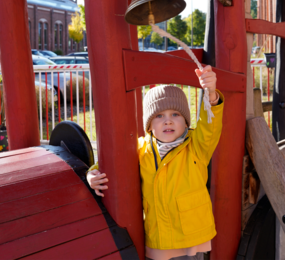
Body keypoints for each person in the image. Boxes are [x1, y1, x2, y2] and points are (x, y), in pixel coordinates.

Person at [87, 65, 224, 260]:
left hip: (190, 235)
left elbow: (210, 125)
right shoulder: (140, 148)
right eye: (159, 116)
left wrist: (210, 94)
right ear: (149, 125)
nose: (168, 121)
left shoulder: (196, 146)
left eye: (175, 115)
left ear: (186, 122)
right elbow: (112, 162)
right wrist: (92, 173)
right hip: (157, 234)